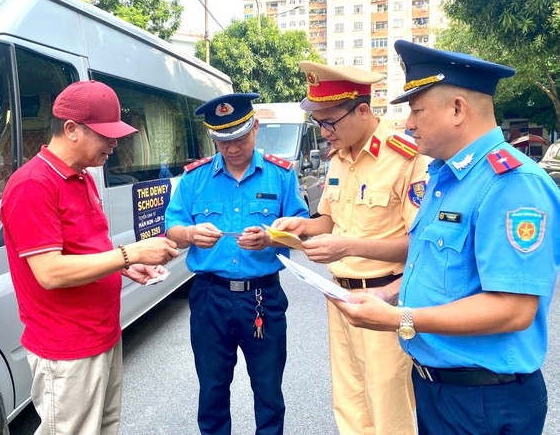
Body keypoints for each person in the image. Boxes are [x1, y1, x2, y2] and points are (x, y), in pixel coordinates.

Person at [330, 40, 560, 434]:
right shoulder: (445, 179)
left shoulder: (511, 184)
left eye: (417, 110)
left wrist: (400, 318)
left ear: (457, 109)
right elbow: (439, 270)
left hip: (485, 399)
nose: (409, 124)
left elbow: (513, 309)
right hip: (439, 389)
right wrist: (388, 294)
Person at [1, 80, 179, 435]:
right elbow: (50, 272)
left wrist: (128, 265)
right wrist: (130, 252)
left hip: (102, 335)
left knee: (103, 427)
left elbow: (90, 250)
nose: (115, 144)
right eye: (106, 135)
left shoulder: (82, 178)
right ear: (71, 129)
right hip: (67, 347)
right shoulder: (33, 185)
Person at [272, 61, 429, 435]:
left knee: (388, 406)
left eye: (330, 122)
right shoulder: (339, 157)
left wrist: (348, 246)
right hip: (339, 297)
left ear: (362, 110)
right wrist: (302, 227)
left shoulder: (407, 157)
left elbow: (419, 245)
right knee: (350, 401)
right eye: (318, 124)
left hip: (385, 298)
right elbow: (329, 220)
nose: (324, 133)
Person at [165, 92, 309, 435]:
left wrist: (272, 237)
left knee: (268, 391)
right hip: (209, 298)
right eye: (222, 140)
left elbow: (301, 229)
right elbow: (172, 228)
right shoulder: (194, 179)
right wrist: (189, 234)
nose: (231, 148)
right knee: (212, 390)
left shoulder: (280, 175)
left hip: (263, 299)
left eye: (239, 138)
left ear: (255, 127)